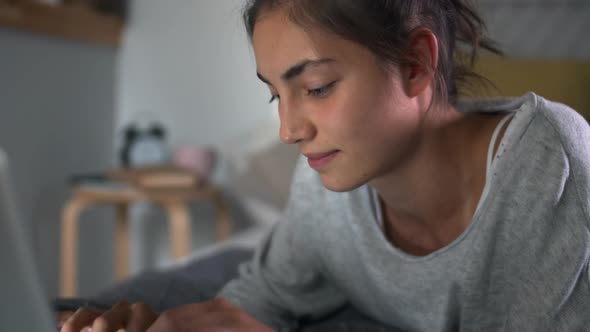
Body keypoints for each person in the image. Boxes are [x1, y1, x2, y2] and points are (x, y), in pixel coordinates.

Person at [61, 0, 590, 331]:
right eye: (276, 96)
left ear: (415, 64)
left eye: (316, 87)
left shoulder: (546, 160)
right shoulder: (325, 186)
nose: (290, 130)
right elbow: (260, 299)